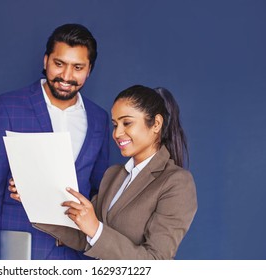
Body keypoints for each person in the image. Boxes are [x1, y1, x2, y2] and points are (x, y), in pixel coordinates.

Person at [13, 85, 197, 259]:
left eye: (127, 123)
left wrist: (96, 229)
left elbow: (156, 261)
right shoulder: (113, 175)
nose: (117, 133)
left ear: (156, 124)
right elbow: (84, 237)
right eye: (115, 124)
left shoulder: (176, 182)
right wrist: (35, 198)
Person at [0, 23, 110, 260]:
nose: (66, 76)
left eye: (77, 67)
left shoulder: (99, 118)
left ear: (89, 70)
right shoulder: (8, 107)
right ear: (46, 60)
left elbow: (101, 192)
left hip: (77, 254)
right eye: (59, 64)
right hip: (23, 250)